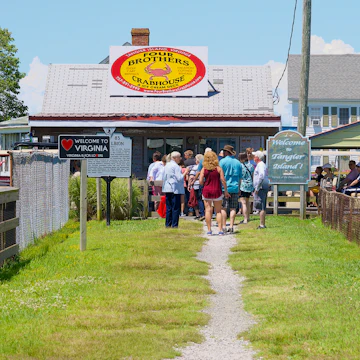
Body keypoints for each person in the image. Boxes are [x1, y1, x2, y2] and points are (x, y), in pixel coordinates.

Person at [199, 151, 229, 236]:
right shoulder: (218, 168)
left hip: (207, 190)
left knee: (208, 210)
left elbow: (201, 181)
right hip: (217, 190)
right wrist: (225, 190)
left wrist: (204, 183)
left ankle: (209, 230)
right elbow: (223, 180)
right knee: (218, 211)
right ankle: (220, 229)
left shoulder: (204, 169)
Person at [162, 152, 190, 228]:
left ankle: (168, 224)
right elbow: (179, 178)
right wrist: (186, 172)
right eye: (179, 157)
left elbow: (163, 176)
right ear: (175, 158)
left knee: (169, 208)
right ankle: (174, 224)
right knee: (175, 208)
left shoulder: (166, 165)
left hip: (167, 188)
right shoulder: (176, 166)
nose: (180, 159)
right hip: (175, 189)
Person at [219, 145, 242, 233]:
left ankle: (224, 226)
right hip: (235, 187)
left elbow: (220, 176)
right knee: (233, 208)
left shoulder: (222, 162)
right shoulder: (237, 162)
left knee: (224, 208)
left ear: (226, 152)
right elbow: (240, 177)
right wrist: (239, 188)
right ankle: (231, 226)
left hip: (224, 188)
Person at [252, 150, 269, 229]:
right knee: (260, 206)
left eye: (254, 156)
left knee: (261, 206)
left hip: (261, 188)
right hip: (261, 187)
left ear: (257, 158)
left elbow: (261, 176)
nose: (253, 158)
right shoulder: (260, 165)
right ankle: (262, 223)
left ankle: (262, 224)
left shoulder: (260, 165)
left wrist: (257, 188)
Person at [238, 152, 254, 224]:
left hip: (243, 185)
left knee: (243, 203)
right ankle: (248, 217)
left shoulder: (240, 166)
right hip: (250, 184)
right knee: (247, 201)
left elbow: (240, 177)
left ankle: (245, 219)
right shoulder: (251, 165)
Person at [188, 154, 205, 220]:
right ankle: (205, 213)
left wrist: (189, 184)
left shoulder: (195, 167)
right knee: (203, 199)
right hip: (203, 184)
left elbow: (191, 177)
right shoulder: (205, 166)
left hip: (196, 185)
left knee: (198, 199)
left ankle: (201, 214)